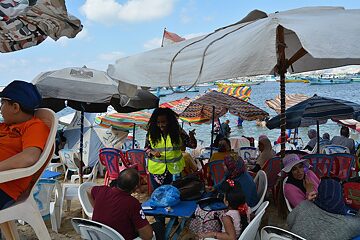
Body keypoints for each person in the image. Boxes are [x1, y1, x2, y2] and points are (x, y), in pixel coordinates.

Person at [0, 80, 50, 210]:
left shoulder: (34, 126)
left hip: (5, 186)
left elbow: (29, 157)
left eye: (2, 103)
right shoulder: (5, 126)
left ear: (15, 107)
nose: (0, 109)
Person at [88, 168, 163, 240]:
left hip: (100, 235)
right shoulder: (132, 203)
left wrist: (96, 207)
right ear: (135, 187)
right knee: (158, 227)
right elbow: (147, 236)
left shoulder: (101, 190)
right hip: (120, 237)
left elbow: (88, 190)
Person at [287, 178, 360, 240]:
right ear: (340, 196)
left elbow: (289, 221)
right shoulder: (348, 225)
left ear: (319, 193)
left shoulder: (304, 205)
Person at [144, 108, 197, 190]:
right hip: (156, 171)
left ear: (169, 121)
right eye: (158, 122)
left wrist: (192, 137)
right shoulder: (151, 133)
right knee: (159, 194)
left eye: (163, 122)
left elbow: (192, 145)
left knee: (173, 195)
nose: (161, 125)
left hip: (174, 170)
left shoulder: (178, 131)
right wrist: (152, 152)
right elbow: (146, 149)